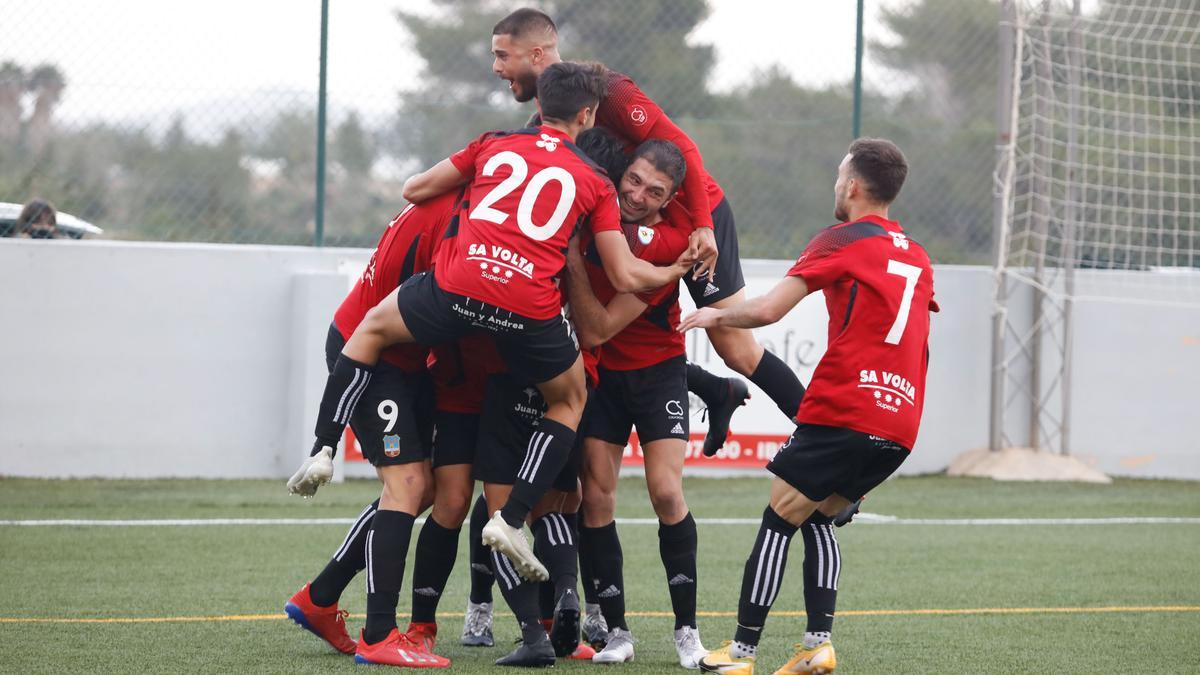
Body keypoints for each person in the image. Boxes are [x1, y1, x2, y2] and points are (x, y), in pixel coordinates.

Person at [290, 58, 694, 606]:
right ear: (588, 114)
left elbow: (413, 188)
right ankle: (513, 518)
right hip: (523, 309)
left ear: (537, 105)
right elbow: (623, 275)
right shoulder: (594, 182)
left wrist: (469, 180)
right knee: (567, 401)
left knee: (369, 333)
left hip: (455, 293)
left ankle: (323, 448)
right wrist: (674, 271)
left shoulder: (492, 146)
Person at [489, 8, 805, 456]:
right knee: (600, 334)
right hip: (626, 229)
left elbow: (683, 147)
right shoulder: (542, 119)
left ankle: (825, 442)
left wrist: (701, 224)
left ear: (536, 53)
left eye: (503, 56)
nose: (497, 68)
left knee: (737, 349)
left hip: (692, 220)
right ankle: (714, 391)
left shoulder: (608, 90)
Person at [687, 138, 936, 675]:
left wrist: (715, 317)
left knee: (779, 515)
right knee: (819, 516)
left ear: (852, 186)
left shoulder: (841, 239)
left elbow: (771, 310)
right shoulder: (916, 255)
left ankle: (741, 653)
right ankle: (816, 646)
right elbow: (920, 342)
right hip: (901, 419)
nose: (835, 183)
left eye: (838, 174)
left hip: (846, 405)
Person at [284, 190, 464, 667]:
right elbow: (369, 332)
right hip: (372, 353)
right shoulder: (452, 217)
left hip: (408, 359)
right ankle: (379, 633)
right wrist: (325, 442)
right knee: (406, 483)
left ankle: (319, 598)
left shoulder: (467, 202)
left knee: (421, 489)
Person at [562, 139, 708, 668]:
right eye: (635, 180)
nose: (639, 195)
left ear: (670, 201)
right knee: (596, 500)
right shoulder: (588, 209)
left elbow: (599, 326)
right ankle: (617, 631)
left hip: (656, 373)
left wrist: (574, 262)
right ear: (620, 173)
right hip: (600, 379)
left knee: (667, 492)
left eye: (656, 191)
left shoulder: (669, 241)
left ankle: (687, 633)